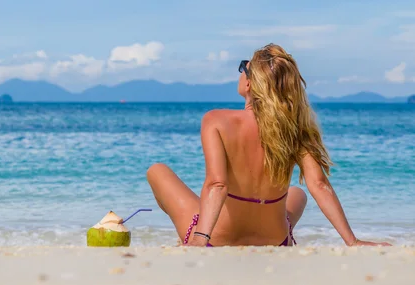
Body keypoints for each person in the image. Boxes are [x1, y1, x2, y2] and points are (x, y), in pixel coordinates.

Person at [147, 44, 390, 247]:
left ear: (251, 84)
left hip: (218, 237)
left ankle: (196, 235)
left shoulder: (216, 120)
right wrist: (352, 241)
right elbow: (319, 184)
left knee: (157, 171)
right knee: (299, 193)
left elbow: (217, 184)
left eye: (244, 67)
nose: (241, 72)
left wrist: (201, 239)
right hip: (275, 240)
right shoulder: (295, 128)